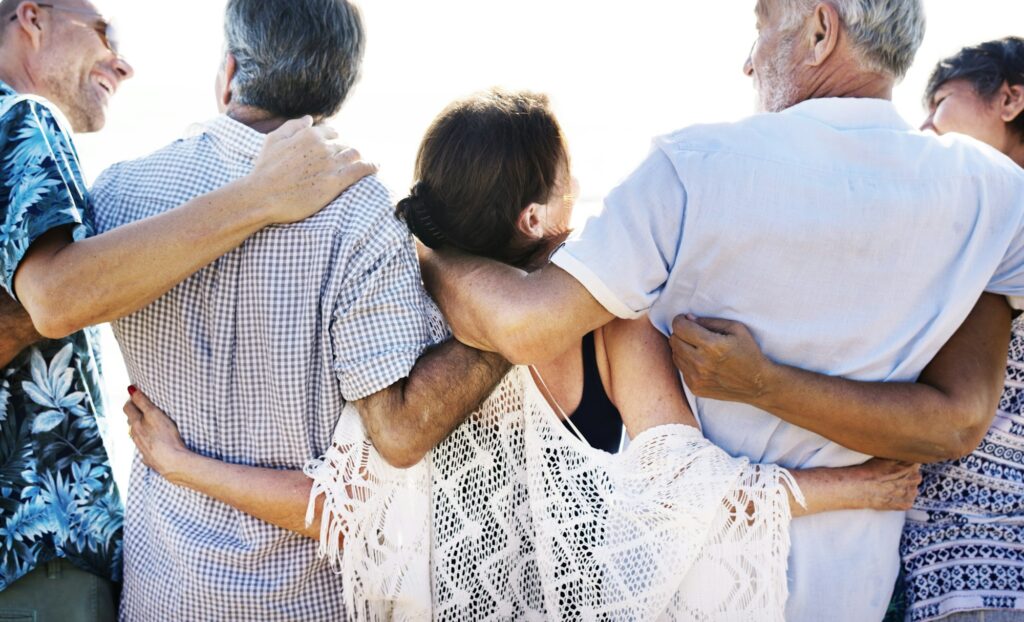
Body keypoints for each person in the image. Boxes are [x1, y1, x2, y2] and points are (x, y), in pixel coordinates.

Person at [127, 88, 922, 620]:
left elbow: (335, 509)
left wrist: (179, 464)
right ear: (538, 217)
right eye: (572, 180)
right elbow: (688, 490)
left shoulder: (399, 320)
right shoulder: (611, 322)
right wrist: (851, 485)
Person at [416, 2, 1024, 620]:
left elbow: (522, 325)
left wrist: (431, 251)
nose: (748, 61)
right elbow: (956, 423)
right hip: (852, 590)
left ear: (820, 30)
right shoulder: (994, 196)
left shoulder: (694, 169)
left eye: (760, 26)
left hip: (693, 588)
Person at [94, 1, 508, 619]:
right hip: (308, 600)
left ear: (230, 72)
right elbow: (395, 441)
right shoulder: (360, 212)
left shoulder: (120, 194)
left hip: (164, 591)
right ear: (336, 93)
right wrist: (514, 318)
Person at [0, 0, 367, 619]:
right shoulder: (22, 117)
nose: (124, 64)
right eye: (103, 32)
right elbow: (56, 298)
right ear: (32, 17)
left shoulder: (108, 185)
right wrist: (260, 196)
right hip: (38, 542)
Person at [671, 36, 1024, 622]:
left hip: (984, 573)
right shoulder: (967, 230)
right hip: (933, 573)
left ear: (1010, 99)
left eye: (939, 101)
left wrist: (760, 383)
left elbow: (957, 421)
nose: (925, 123)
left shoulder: (995, 238)